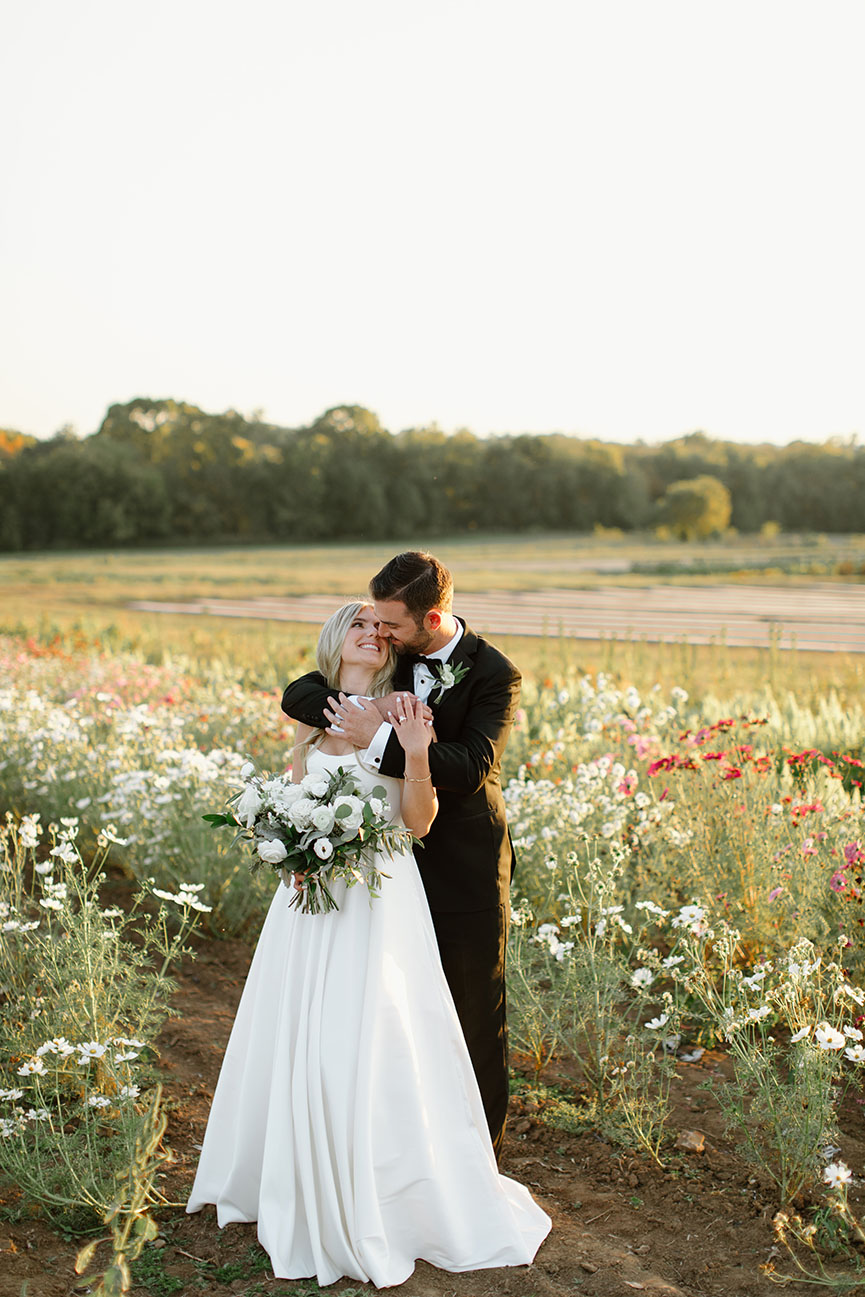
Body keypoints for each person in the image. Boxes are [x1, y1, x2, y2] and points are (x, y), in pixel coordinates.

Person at [187, 602, 550, 1288]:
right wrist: (286, 841)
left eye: (382, 629)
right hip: (308, 906)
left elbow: (418, 821)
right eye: (360, 625)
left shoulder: (405, 712)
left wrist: (414, 752)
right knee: (303, 1034)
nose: (373, 634)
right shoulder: (311, 718)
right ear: (338, 639)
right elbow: (295, 791)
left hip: (379, 899)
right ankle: (298, 1175)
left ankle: (376, 1184)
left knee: (374, 1037)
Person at [281, 551, 521, 1160]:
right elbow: (304, 689)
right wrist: (353, 714)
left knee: (471, 1006)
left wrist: (378, 739)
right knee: (387, 1006)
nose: (379, 634)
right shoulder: (395, 647)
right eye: (375, 625)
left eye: (390, 626)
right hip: (380, 861)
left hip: (462, 860)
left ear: (431, 619)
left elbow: (469, 768)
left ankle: (476, 1156)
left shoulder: (495, 674)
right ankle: (392, 1141)